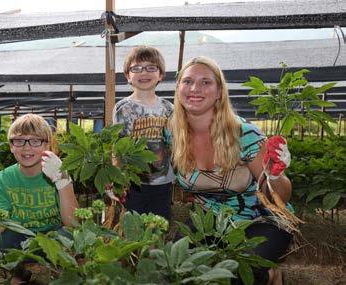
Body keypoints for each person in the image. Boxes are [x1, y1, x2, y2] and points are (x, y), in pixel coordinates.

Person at [170, 56, 293, 285]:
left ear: (219, 92)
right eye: (187, 81)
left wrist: (275, 175)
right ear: (178, 89)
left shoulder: (244, 134)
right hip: (209, 221)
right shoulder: (172, 134)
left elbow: (279, 199)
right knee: (175, 269)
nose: (195, 88)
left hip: (260, 221)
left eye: (206, 82)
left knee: (240, 275)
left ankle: (270, 274)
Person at [0, 113, 78, 250]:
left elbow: (73, 223)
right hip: (18, 236)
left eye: (35, 141)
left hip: (53, 235)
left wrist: (63, 181)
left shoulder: (57, 171)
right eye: (19, 141)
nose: (26, 147)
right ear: (11, 146)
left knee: (70, 235)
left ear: (47, 145)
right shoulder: (3, 179)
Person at [112, 45, 175, 220]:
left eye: (151, 67)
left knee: (159, 227)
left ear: (160, 74)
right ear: (128, 76)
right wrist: (117, 178)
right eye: (136, 68)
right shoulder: (123, 108)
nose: (144, 73)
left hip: (163, 181)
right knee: (132, 228)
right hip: (133, 183)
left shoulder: (169, 108)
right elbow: (118, 146)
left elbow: (176, 143)